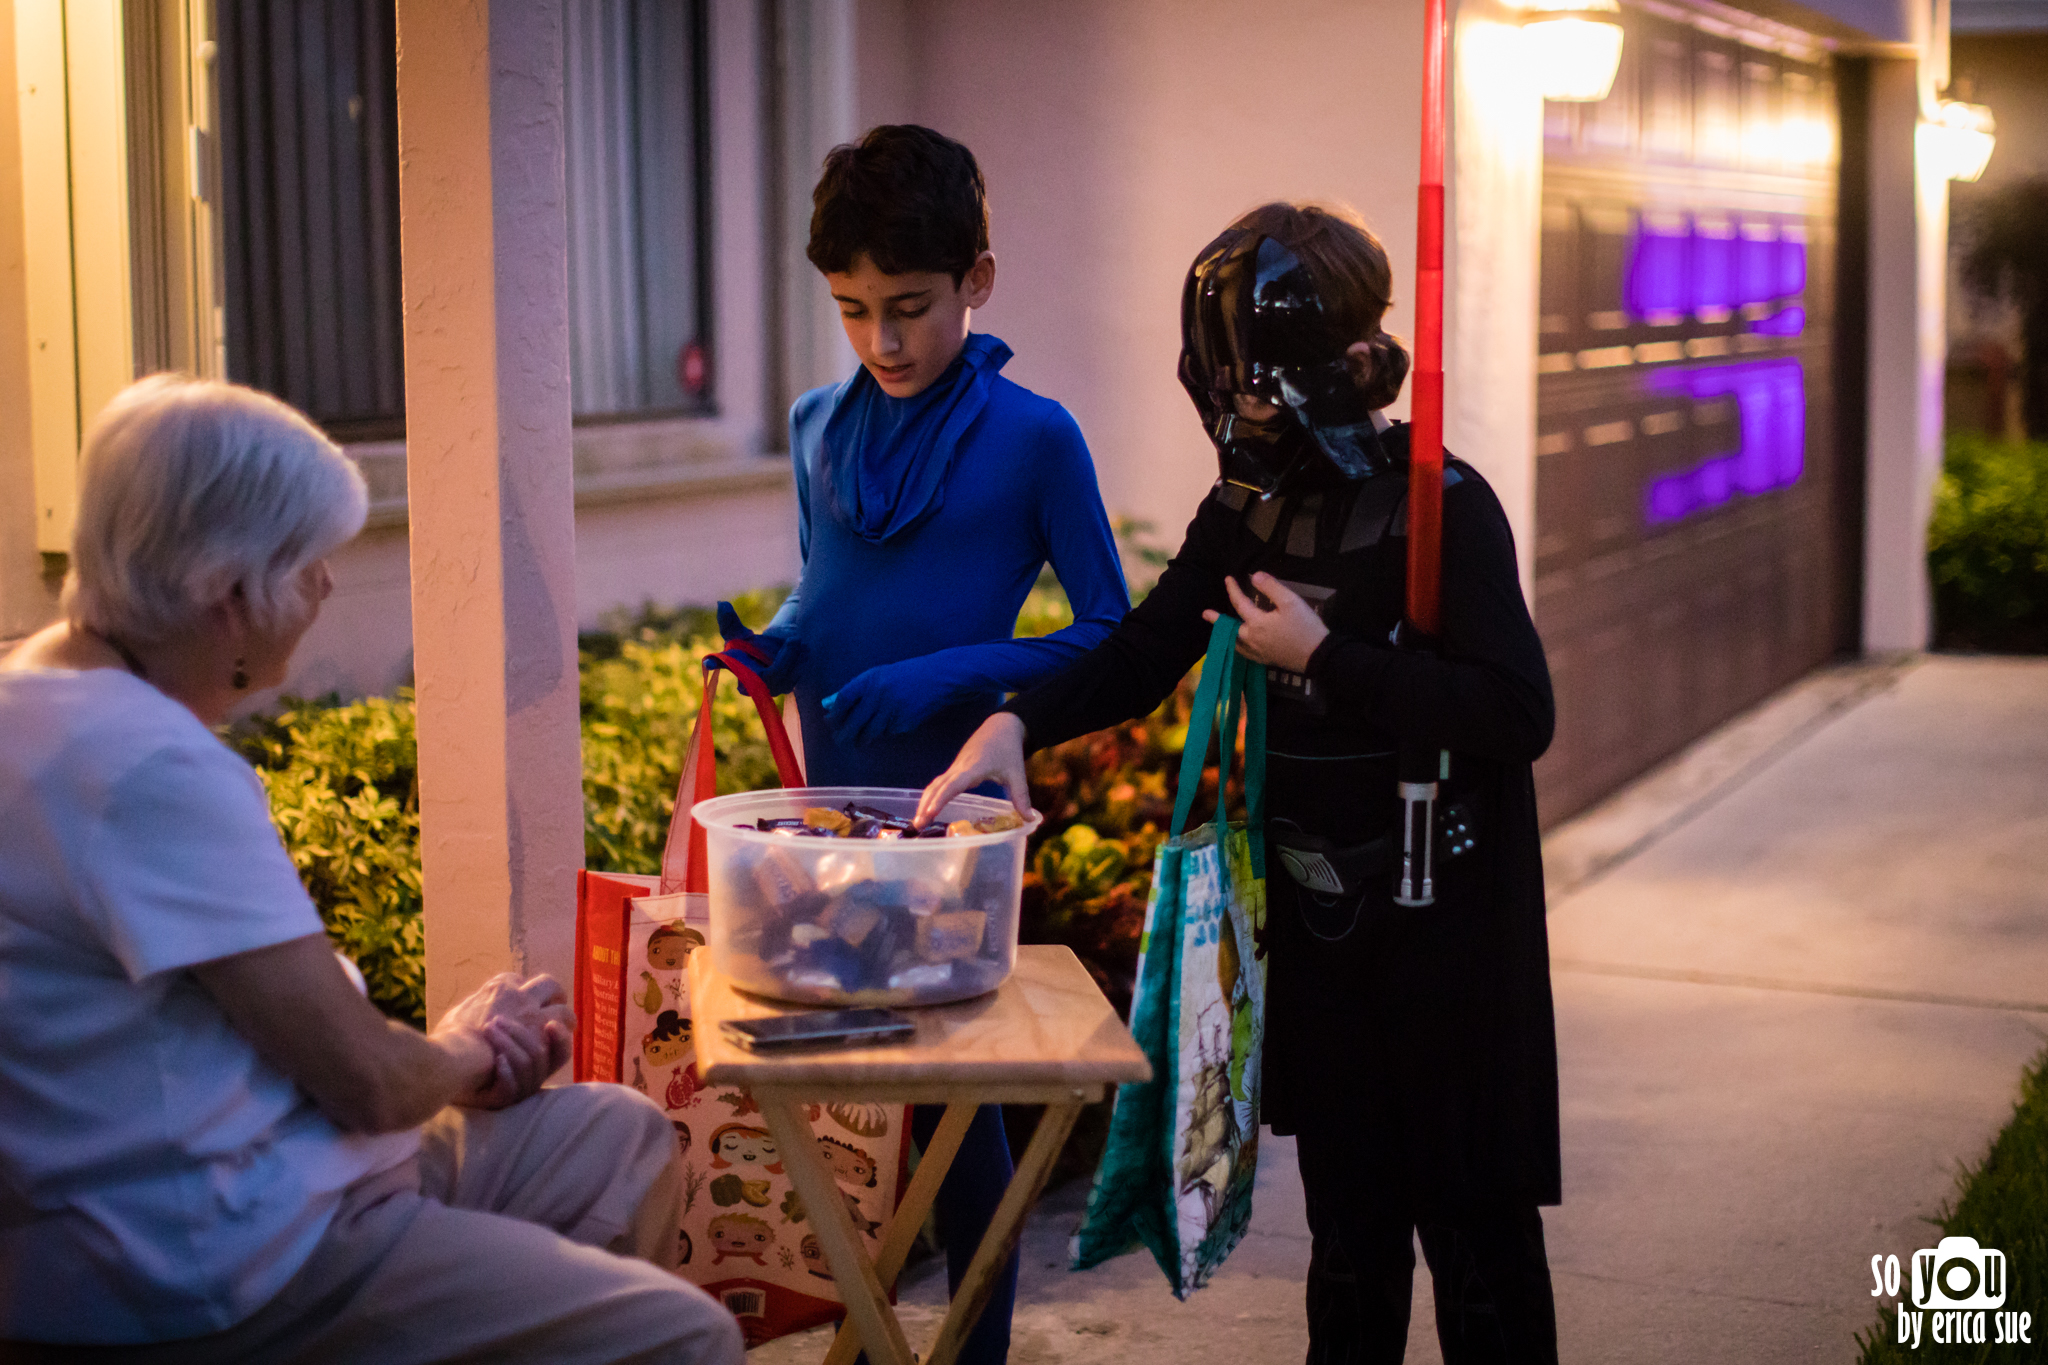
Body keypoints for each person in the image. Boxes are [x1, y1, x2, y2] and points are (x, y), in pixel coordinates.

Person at [918, 203, 1562, 1365]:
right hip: (1325, 936)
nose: (1237, 420)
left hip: (1447, 931)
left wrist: (1325, 659)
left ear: (1331, 373)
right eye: (1223, 395)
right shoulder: (1245, 516)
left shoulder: (1442, 507)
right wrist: (1015, 725)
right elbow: (1135, 655)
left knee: (1476, 1245)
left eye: (1256, 392)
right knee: (1348, 1238)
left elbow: (1515, 713)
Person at [0, 375, 744, 1365]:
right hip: (229, 1262)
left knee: (611, 1133)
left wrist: (436, 1058)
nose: (325, 589)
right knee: (682, 1337)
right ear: (231, 594)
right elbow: (368, 1083)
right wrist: (474, 1055)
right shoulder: (147, 768)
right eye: (310, 564)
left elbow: (246, 1033)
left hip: (239, 1182)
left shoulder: (40, 697)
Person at [719, 124, 1130, 1364]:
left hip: (949, 815)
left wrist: (959, 673)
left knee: (959, 1111)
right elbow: (821, 591)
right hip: (823, 811)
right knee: (839, 1109)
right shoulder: (811, 422)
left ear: (977, 282)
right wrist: (774, 652)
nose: (881, 343)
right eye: (850, 311)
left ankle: (982, 1352)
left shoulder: (1035, 437)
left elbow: (1112, 633)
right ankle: (867, 1328)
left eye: (908, 308)